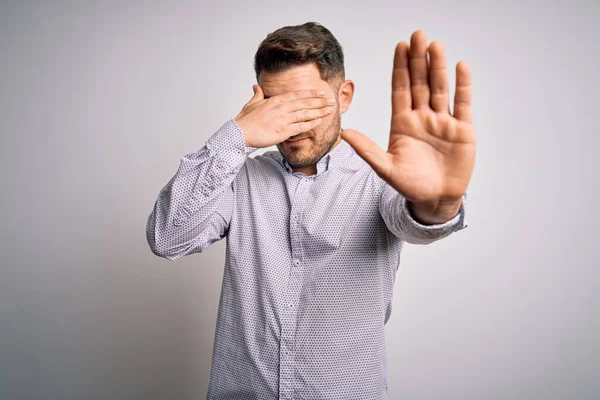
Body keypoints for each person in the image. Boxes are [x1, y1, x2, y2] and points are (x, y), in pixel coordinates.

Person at [146, 21, 475, 400]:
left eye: (308, 104)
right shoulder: (238, 177)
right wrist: (234, 136)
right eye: (277, 105)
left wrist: (440, 204)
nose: (293, 125)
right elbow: (167, 238)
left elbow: (416, 221)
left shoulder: (381, 179)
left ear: (344, 95)